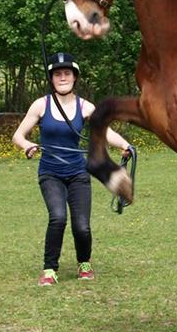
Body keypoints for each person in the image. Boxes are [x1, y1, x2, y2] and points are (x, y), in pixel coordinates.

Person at [13, 52, 131, 285]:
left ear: (75, 77)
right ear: (52, 78)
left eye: (67, 73)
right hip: (50, 173)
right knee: (57, 218)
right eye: (58, 74)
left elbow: (105, 132)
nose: (63, 77)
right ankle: (49, 270)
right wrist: (27, 145)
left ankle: (84, 263)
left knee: (82, 226)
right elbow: (18, 135)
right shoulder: (41, 104)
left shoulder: (85, 107)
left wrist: (125, 145)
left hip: (78, 173)